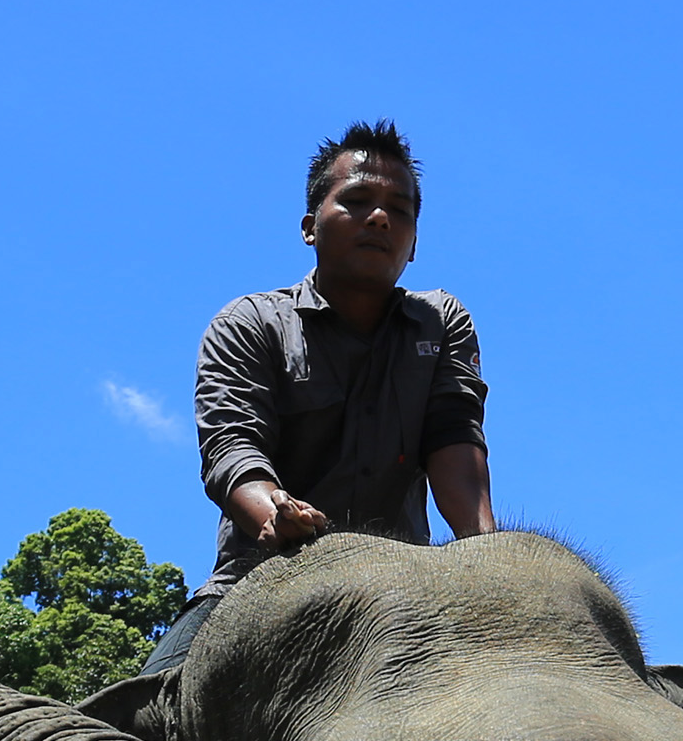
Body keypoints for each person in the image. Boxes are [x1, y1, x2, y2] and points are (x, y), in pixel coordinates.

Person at [142, 120, 496, 675]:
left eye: (399, 210)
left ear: (413, 244)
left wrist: (490, 562)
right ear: (310, 226)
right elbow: (232, 449)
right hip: (257, 583)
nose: (379, 218)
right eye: (356, 201)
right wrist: (273, 513)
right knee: (142, 710)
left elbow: (455, 441)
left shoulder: (441, 322)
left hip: (405, 592)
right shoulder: (250, 324)